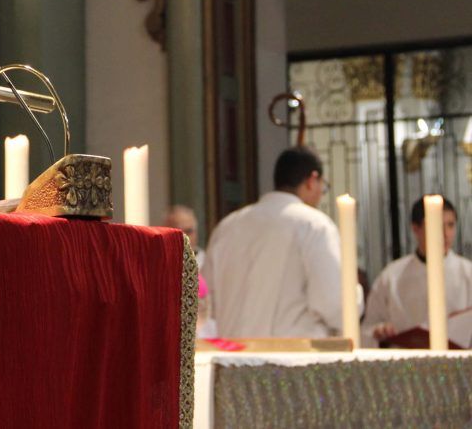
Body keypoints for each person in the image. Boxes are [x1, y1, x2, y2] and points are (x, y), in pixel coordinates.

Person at [202, 146, 346, 338]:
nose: (321, 194)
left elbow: (207, 303)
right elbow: (334, 304)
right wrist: (355, 295)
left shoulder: (227, 227)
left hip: (233, 352)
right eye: (323, 187)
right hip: (291, 353)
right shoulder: (314, 226)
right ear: (312, 181)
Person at [361, 196, 472, 347]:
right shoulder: (391, 277)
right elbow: (367, 329)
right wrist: (380, 332)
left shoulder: (468, 273)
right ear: (416, 228)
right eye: (436, 225)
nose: (445, 234)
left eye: (450, 225)